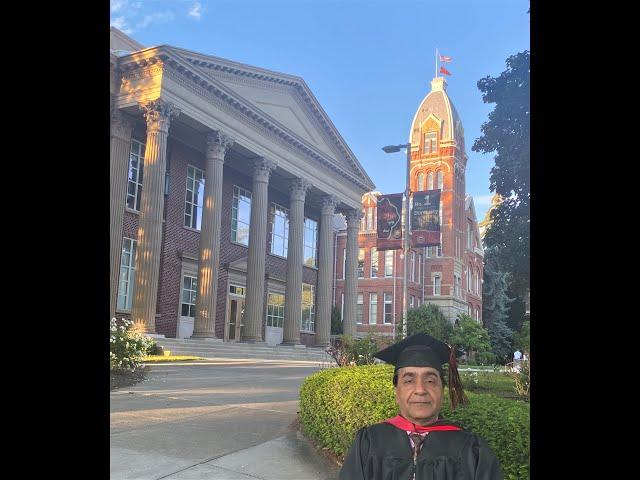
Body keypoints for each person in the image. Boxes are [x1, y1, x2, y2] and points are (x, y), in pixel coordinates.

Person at [339, 333, 503, 480]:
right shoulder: (369, 443)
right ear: (397, 391)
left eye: (430, 381)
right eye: (409, 381)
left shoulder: (472, 450)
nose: (420, 390)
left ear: (442, 389)